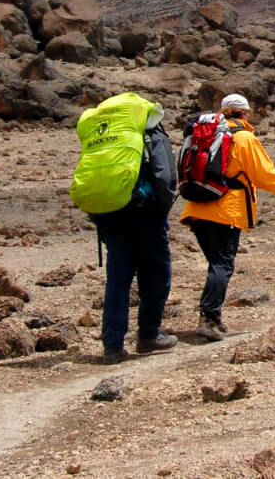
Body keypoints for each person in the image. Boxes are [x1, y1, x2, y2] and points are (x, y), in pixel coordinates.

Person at [180, 93, 275, 341]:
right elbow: (264, 176)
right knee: (222, 265)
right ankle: (209, 318)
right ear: (244, 113)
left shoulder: (203, 135)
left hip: (196, 207)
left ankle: (214, 316)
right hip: (227, 210)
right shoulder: (245, 138)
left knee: (216, 263)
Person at [90, 104, 178, 364]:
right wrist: (161, 210)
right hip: (145, 213)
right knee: (157, 274)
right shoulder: (151, 134)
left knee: (118, 279)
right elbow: (164, 176)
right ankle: (149, 335)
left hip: (109, 215)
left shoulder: (104, 137)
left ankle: (112, 346)